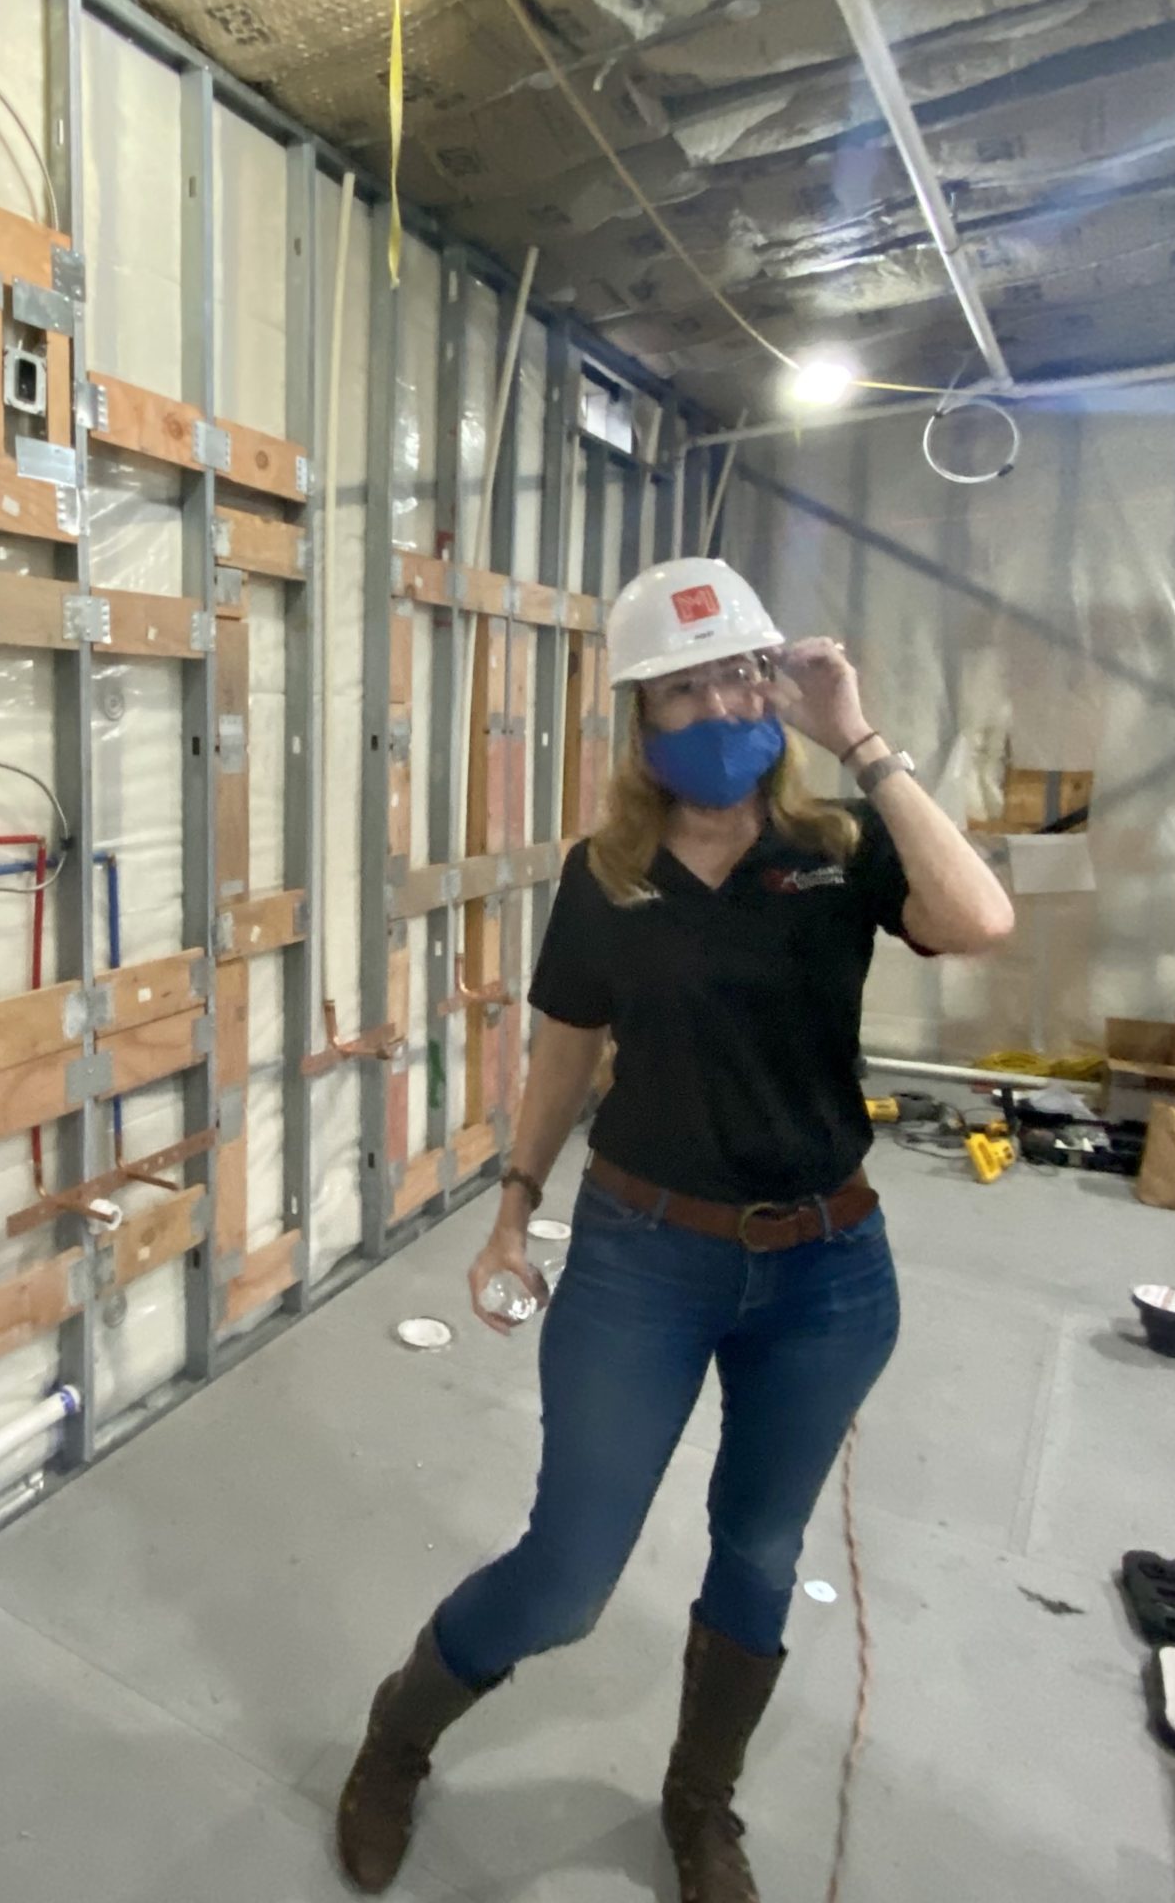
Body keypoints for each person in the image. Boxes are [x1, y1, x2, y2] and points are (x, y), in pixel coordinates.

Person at [334, 559, 1014, 1901]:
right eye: (685, 686)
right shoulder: (610, 875)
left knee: (758, 1552)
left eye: (740, 673)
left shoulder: (836, 847)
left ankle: (700, 1807)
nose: (720, 703)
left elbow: (981, 918)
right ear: (641, 719)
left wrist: (860, 738)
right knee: (571, 1571)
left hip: (826, 1274)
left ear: (777, 680)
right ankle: (393, 1741)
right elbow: (564, 1050)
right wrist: (514, 1209)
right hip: (644, 1255)